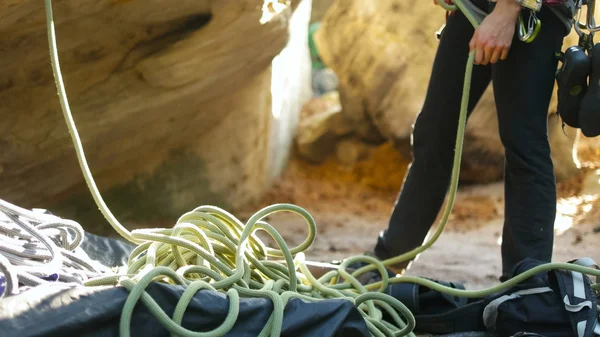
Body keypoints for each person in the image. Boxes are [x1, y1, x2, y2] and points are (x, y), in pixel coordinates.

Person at [369, 0, 574, 281]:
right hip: (474, 7)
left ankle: (526, 287)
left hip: (530, 10)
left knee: (523, 141)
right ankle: (389, 260)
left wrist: (507, 9)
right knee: (434, 131)